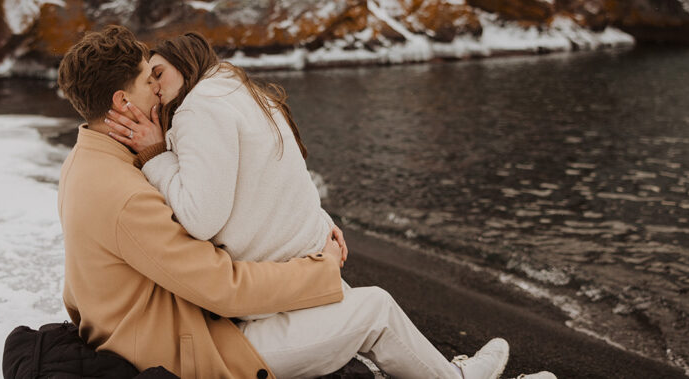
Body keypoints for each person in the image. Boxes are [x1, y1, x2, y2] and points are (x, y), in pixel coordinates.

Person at [106, 32, 556, 379]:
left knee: (372, 307)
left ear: (187, 64)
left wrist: (157, 156)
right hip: (239, 325)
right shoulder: (239, 96)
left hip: (260, 300)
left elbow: (264, 181)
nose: (156, 88)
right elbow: (214, 209)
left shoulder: (198, 108)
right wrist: (157, 154)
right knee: (375, 307)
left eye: (159, 73)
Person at [54, 25, 346, 378]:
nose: (158, 91)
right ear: (121, 101)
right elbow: (223, 287)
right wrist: (321, 270)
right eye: (149, 80)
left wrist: (314, 222)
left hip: (129, 328)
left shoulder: (84, 159)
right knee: (377, 310)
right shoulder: (124, 190)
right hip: (173, 348)